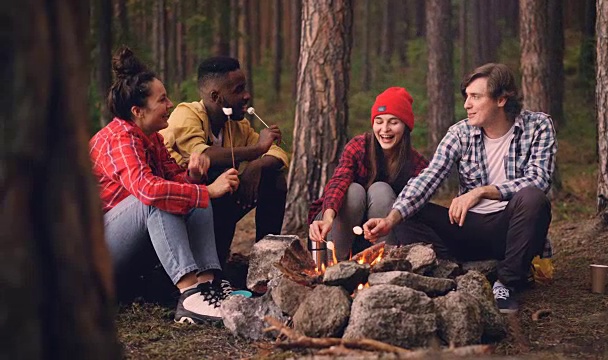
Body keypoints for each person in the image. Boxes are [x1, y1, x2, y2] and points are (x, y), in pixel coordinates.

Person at [363, 63, 557, 314]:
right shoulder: (460, 132)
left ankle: (506, 283)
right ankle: (455, 273)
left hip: (510, 229)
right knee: (408, 212)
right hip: (468, 228)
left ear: (501, 99)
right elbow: (429, 177)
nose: (467, 104)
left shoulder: (538, 126)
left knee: (533, 199)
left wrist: (481, 191)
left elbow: (539, 179)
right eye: (466, 96)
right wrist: (390, 219)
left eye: (475, 97)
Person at [90, 47, 240, 324]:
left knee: (191, 197)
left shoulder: (152, 138)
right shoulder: (119, 138)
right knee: (155, 198)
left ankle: (209, 286)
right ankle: (190, 294)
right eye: (162, 100)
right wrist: (206, 190)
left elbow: (177, 185)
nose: (170, 104)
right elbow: (148, 190)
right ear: (137, 111)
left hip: (128, 246)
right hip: (95, 256)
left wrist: (194, 178)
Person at [160, 56, 289, 270]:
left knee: (274, 179)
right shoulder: (186, 114)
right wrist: (256, 151)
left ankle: (264, 265)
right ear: (216, 96)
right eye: (238, 90)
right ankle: (206, 266)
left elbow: (278, 153)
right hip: (183, 215)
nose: (247, 96)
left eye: (245, 88)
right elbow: (203, 156)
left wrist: (257, 165)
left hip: (218, 207)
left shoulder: (237, 126)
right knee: (216, 173)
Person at [308, 87, 429, 261]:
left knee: (381, 190)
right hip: (336, 230)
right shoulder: (358, 146)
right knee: (354, 191)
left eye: (393, 122)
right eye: (379, 121)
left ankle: (385, 265)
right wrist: (327, 218)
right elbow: (338, 182)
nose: (384, 129)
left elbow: (417, 203)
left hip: (381, 236)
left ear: (406, 126)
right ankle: (333, 267)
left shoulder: (415, 164)